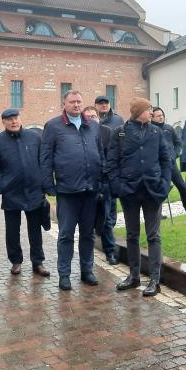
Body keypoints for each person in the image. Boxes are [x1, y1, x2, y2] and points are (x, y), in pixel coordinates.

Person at [107, 98, 171, 297]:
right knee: (132, 235)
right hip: (129, 192)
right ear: (137, 112)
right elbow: (111, 163)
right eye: (148, 109)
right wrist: (119, 187)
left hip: (153, 191)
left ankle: (154, 280)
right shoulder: (120, 133)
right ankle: (134, 276)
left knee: (154, 236)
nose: (151, 112)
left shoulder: (157, 132)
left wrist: (164, 184)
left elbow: (166, 160)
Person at [40, 89, 103, 291]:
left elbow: (100, 153)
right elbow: (46, 158)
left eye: (79, 101)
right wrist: (49, 185)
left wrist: (101, 180)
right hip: (67, 191)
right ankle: (64, 274)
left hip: (90, 189)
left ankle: (87, 270)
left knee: (88, 234)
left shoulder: (93, 125)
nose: (76, 105)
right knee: (66, 234)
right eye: (72, 102)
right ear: (64, 104)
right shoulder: (53, 126)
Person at [0, 108, 50, 277]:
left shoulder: (34, 137)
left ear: (20, 118)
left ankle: (38, 262)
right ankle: (16, 261)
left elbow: (43, 162)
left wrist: (42, 184)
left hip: (33, 190)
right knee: (12, 230)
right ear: (3, 122)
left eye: (15, 118)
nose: (13, 121)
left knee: (35, 229)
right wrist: (2, 185)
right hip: (11, 192)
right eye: (9, 119)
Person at [83, 105, 119, 265]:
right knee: (87, 222)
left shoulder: (107, 132)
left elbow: (112, 156)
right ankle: (87, 256)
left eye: (93, 116)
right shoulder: (80, 132)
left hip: (104, 182)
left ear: (98, 118)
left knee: (106, 220)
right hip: (86, 184)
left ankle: (110, 252)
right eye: (87, 117)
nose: (91, 119)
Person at [152, 106, 186, 213]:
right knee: (159, 189)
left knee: (182, 186)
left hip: (171, 163)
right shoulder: (151, 130)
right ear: (152, 117)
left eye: (162, 115)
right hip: (158, 165)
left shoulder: (169, 128)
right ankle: (157, 214)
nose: (161, 117)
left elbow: (178, 143)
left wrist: (175, 155)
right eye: (158, 116)